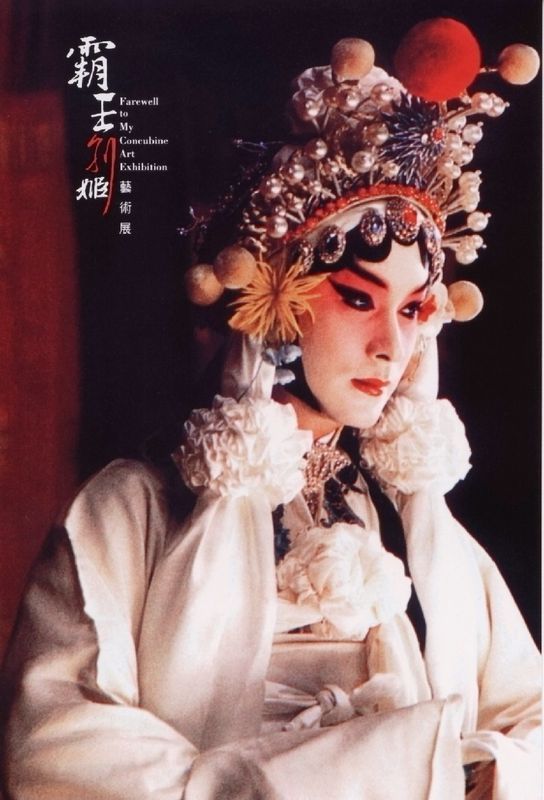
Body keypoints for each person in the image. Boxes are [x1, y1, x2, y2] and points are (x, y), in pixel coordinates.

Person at [1, 21, 541, 800]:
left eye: (414, 310)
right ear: (276, 297)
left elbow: (530, 717)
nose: (391, 345)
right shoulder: (133, 510)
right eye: (358, 299)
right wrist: (352, 773)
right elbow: (54, 748)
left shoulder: (423, 532)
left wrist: (488, 774)